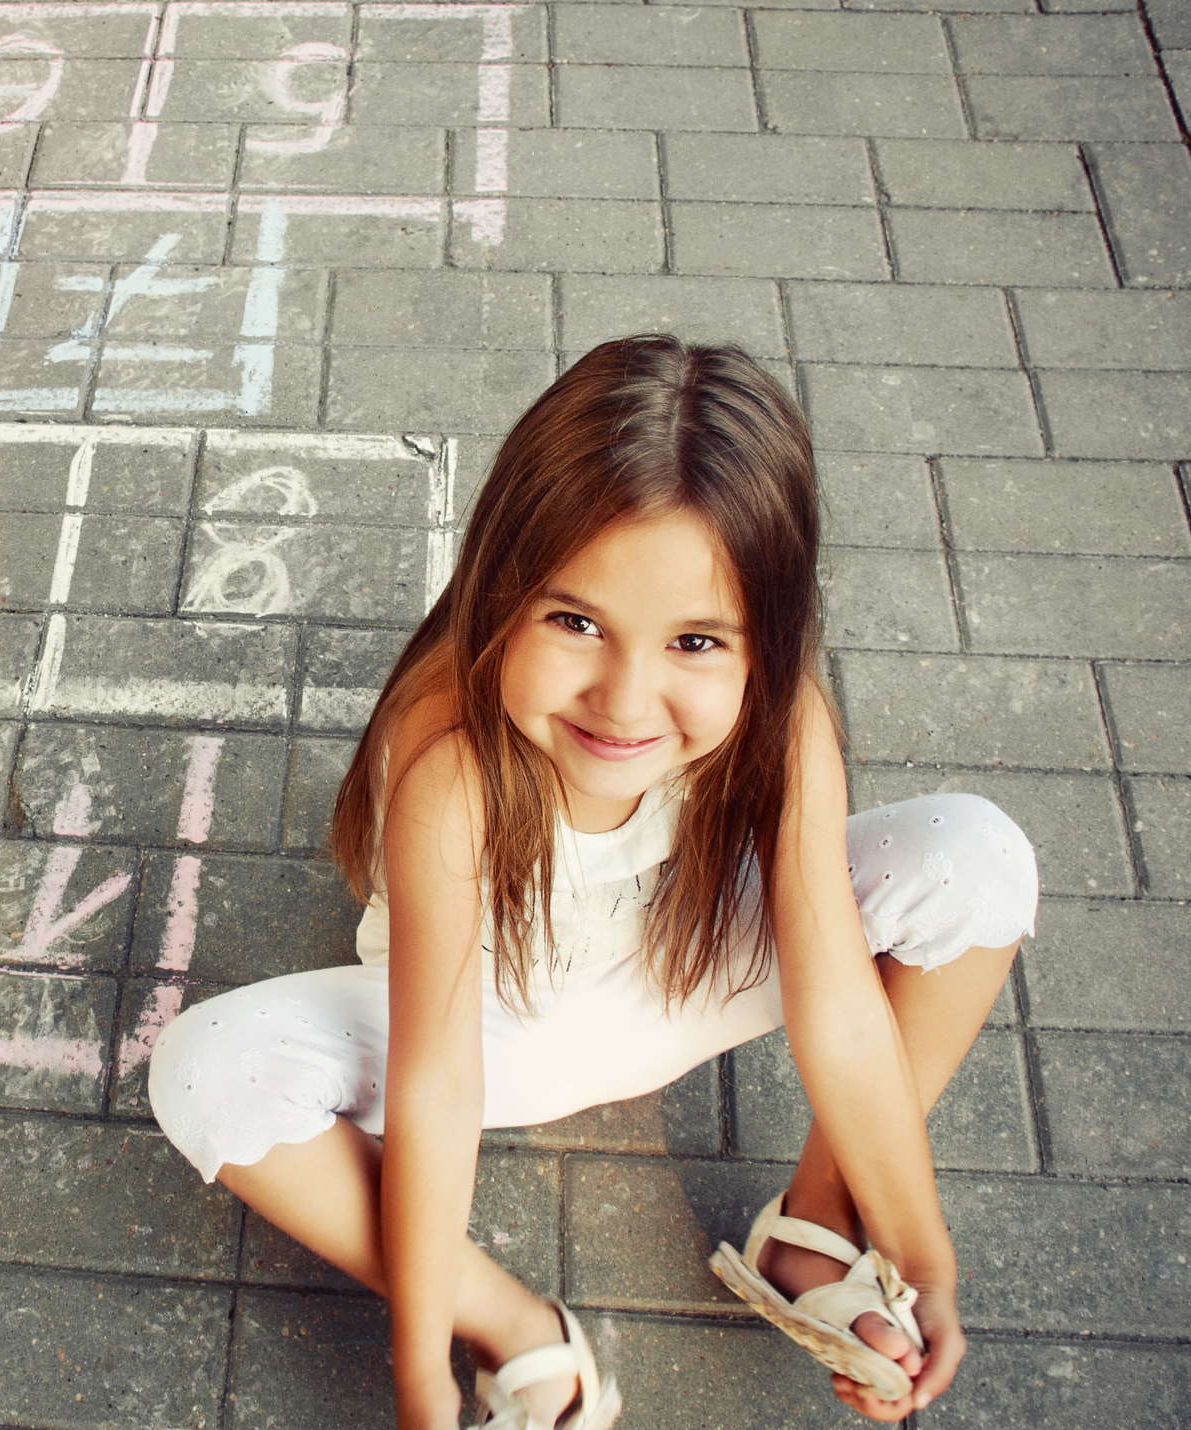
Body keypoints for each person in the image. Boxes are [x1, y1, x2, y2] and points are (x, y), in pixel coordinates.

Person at [148, 336, 1037, 1430]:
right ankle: (518, 1329)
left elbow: (838, 1005)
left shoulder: (783, 712)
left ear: (766, 638)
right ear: (502, 588)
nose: (624, 698)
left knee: (978, 854)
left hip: (683, 963)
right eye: (576, 621)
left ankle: (815, 1231)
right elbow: (439, 1083)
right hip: (501, 1028)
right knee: (205, 1068)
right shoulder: (451, 759)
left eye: (697, 640)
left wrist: (924, 1255)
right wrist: (424, 1372)